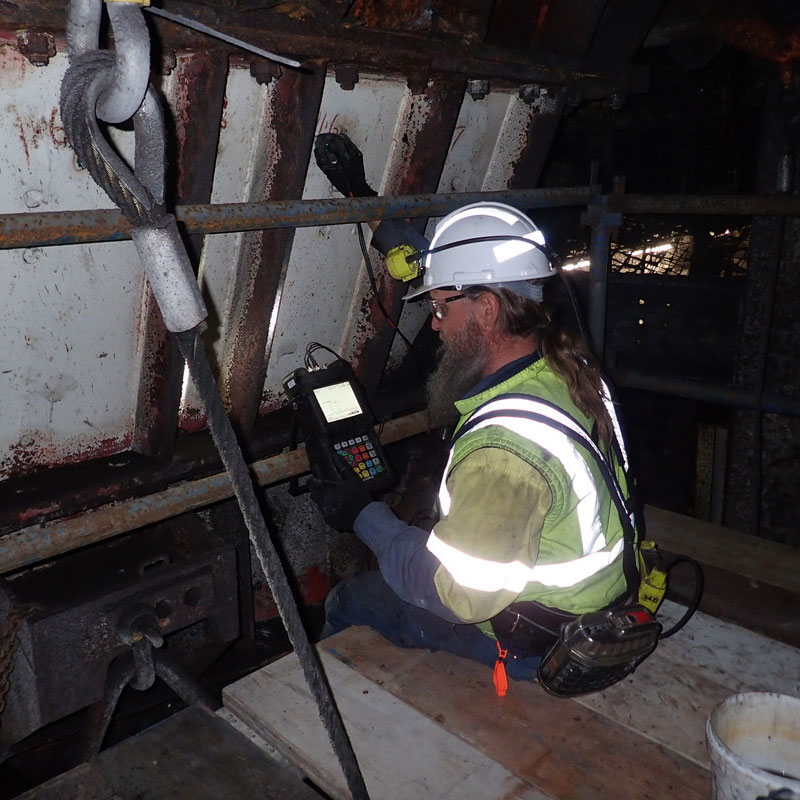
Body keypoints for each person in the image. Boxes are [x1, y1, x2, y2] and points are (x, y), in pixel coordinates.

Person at [309, 134, 639, 692]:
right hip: (597, 600)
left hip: (536, 638)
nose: (434, 325)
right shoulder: (567, 367)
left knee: (351, 599)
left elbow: (458, 595)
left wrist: (364, 516)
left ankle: (336, 718)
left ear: (486, 308)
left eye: (440, 309)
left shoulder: (503, 450)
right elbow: (424, 256)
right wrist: (358, 193)